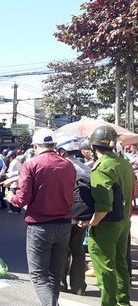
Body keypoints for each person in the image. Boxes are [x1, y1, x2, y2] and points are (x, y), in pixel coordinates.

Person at [6, 128, 76, 306]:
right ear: (54, 145)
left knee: (38, 276)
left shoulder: (31, 164)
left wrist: (10, 197)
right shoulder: (68, 165)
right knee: (54, 274)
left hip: (40, 226)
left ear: (35, 146)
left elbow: (22, 200)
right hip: (64, 225)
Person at [77, 125, 133, 306]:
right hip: (124, 223)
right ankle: (123, 302)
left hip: (106, 225)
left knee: (105, 267)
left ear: (93, 147)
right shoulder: (123, 163)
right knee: (120, 264)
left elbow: (103, 206)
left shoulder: (101, 168)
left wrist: (92, 223)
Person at [55, 136, 90, 296]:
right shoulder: (86, 168)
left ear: (62, 151)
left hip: (64, 215)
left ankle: (61, 284)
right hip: (83, 215)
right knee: (77, 250)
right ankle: (79, 287)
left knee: (62, 249)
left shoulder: (61, 167)